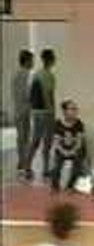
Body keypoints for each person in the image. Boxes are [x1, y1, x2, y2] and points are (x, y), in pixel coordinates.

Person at [26, 48, 57, 182]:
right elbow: (47, 94)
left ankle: (27, 166)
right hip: (46, 111)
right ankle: (45, 169)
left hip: (36, 111)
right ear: (51, 60)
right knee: (47, 140)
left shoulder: (36, 74)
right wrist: (51, 110)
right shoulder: (49, 75)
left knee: (36, 138)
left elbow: (30, 94)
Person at [50, 101, 88, 194]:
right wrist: (64, 151)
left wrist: (72, 151)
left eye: (75, 109)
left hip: (75, 150)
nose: (75, 111)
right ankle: (55, 186)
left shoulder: (79, 124)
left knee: (77, 164)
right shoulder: (58, 124)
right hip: (62, 149)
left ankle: (70, 186)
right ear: (65, 111)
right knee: (56, 166)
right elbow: (56, 142)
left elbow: (79, 142)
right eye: (72, 109)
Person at [12, 49, 34, 182]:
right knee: (25, 138)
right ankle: (25, 165)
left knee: (20, 138)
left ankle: (21, 163)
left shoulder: (15, 75)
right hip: (25, 110)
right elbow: (28, 94)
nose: (33, 63)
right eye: (31, 60)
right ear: (26, 61)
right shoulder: (28, 75)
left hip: (17, 109)